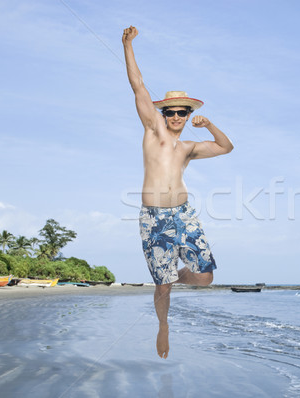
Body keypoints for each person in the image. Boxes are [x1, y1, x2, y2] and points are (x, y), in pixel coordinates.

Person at [122, 26, 234, 359]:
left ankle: (182, 273)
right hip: (154, 218)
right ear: (162, 113)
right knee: (162, 284)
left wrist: (210, 125)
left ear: (187, 115)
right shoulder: (152, 128)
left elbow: (226, 147)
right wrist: (127, 45)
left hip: (184, 214)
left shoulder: (188, 147)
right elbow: (137, 85)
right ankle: (163, 326)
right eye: (169, 111)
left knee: (206, 278)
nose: (174, 116)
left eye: (181, 112)